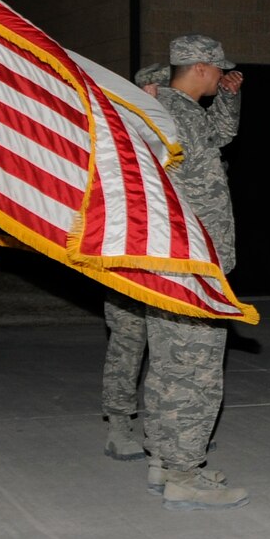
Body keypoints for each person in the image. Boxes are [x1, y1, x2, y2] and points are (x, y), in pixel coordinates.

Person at [141, 35, 249, 509]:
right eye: (217, 70)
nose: (221, 76)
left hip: (168, 259)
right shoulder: (170, 112)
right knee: (197, 368)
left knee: (169, 363)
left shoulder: (167, 110)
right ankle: (185, 474)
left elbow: (218, 136)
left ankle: (164, 461)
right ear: (201, 67)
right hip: (192, 261)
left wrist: (229, 98)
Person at [99, 63, 170, 460]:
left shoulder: (176, 137)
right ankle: (119, 424)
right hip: (128, 254)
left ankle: (169, 430)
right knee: (128, 339)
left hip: (168, 256)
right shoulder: (118, 134)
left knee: (169, 345)